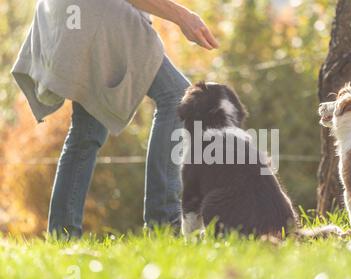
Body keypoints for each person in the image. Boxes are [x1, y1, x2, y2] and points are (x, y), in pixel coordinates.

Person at [11, 0, 219, 237]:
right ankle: (162, 222)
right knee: (178, 98)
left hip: (67, 13)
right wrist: (183, 16)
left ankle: (63, 234)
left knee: (88, 129)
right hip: (94, 10)